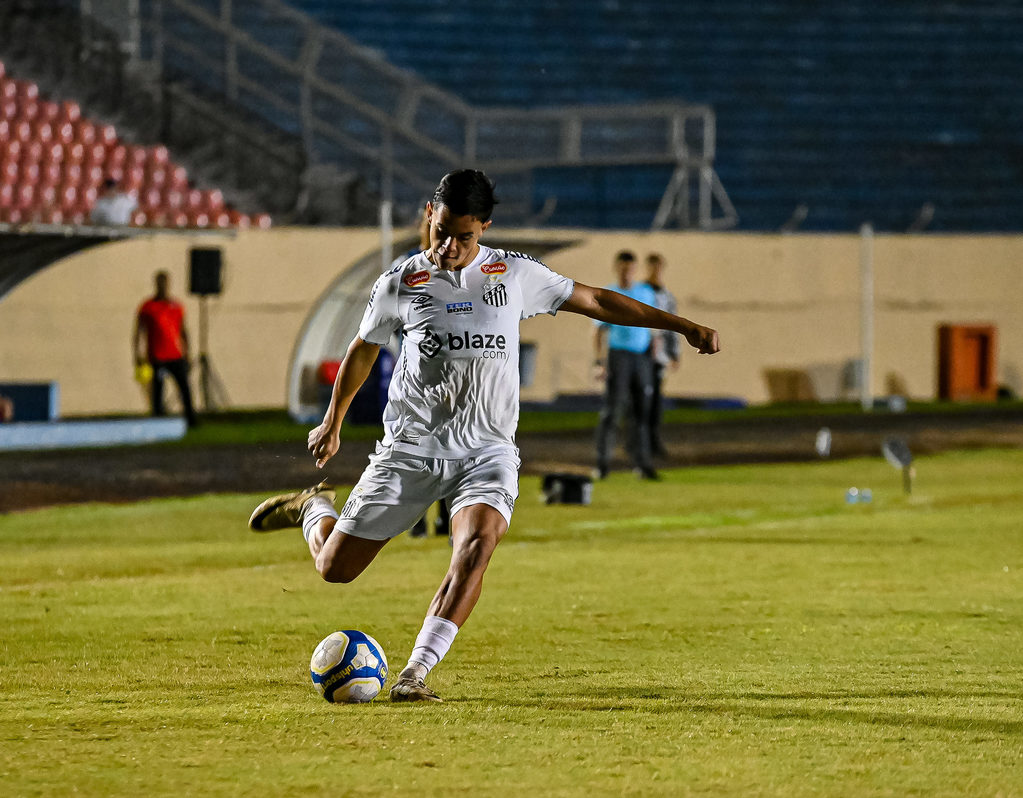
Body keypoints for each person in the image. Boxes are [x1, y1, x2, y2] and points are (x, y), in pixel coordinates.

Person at [247, 170, 719, 703]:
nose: (449, 247)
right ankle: (314, 509)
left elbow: (597, 301)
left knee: (476, 544)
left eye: (464, 236)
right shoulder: (401, 281)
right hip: (412, 447)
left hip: (485, 450)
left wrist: (681, 325)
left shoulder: (514, 275)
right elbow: (363, 347)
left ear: (484, 228)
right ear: (430, 214)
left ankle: (415, 674)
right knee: (336, 569)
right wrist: (332, 422)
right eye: (441, 231)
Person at [592, 251, 659, 480]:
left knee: (642, 412)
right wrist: (599, 363)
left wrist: (655, 351)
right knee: (613, 410)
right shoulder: (610, 294)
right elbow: (599, 331)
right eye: (623, 268)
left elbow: (654, 323)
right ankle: (602, 463)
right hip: (618, 356)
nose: (627, 272)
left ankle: (642, 463)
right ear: (616, 268)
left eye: (630, 268)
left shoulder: (645, 293)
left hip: (641, 358)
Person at [133, 271, 197, 428]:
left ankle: (190, 419)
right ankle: (158, 419)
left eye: (165, 283)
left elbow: (183, 330)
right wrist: (137, 354)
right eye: (160, 283)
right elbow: (138, 332)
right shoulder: (148, 307)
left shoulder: (176, 306)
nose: (163, 286)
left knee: (184, 388)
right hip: (157, 356)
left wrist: (187, 352)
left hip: (175, 354)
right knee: (158, 391)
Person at [644, 252, 680, 458]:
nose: (655, 271)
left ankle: (653, 441)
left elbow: (671, 324)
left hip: (658, 357)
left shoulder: (667, 296)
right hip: (639, 353)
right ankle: (638, 443)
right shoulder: (639, 292)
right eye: (652, 267)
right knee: (640, 400)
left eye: (658, 267)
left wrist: (674, 353)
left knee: (655, 401)